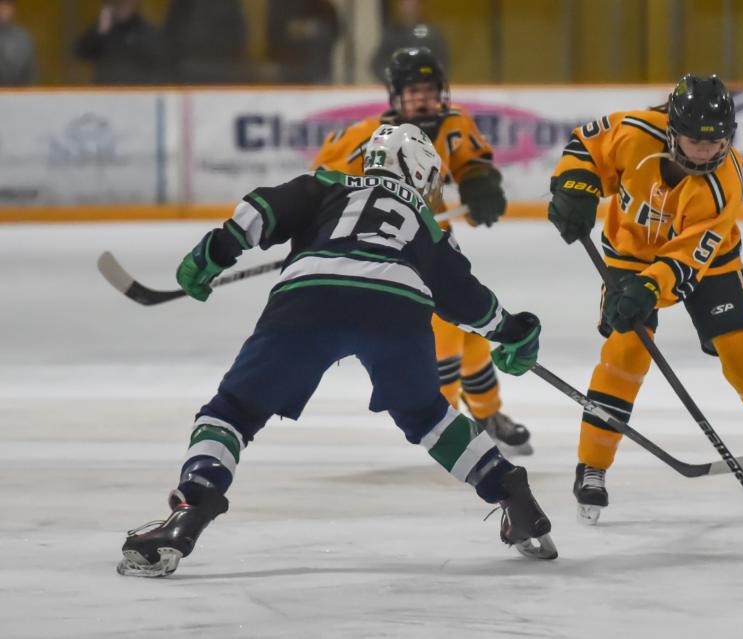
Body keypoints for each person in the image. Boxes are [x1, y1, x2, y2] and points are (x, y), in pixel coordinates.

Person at [117, 123, 556, 578]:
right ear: (418, 171)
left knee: (233, 410)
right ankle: (511, 492)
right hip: (397, 310)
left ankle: (192, 508)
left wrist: (216, 250)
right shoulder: (427, 224)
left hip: (311, 298)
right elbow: (465, 298)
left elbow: (262, 208)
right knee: (429, 416)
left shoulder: (330, 182)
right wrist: (511, 331)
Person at [547, 74, 743, 525]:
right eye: (695, 141)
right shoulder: (634, 131)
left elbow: (687, 258)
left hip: (709, 263)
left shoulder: (725, 183)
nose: (705, 152)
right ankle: (592, 468)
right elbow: (586, 146)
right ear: (671, 128)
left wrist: (650, 287)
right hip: (629, 253)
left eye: (715, 141)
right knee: (627, 348)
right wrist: (575, 186)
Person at [311, 47, 531, 455]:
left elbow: (471, 163)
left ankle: (486, 413)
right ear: (396, 94)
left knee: (472, 335)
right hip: (395, 253)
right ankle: (443, 425)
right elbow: (324, 180)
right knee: (444, 335)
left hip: (437, 243)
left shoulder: (453, 124)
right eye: (414, 91)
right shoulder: (367, 135)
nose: (423, 98)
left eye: (430, 89)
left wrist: (480, 184)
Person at [73, 0, 166, 85]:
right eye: (116, 4)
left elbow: (157, 62)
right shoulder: (102, 29)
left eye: (124, 4)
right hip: (105, 94)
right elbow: (81, 53)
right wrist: (100, 31)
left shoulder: (146, 31)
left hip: (136, 94)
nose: (121, 8)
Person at [370, 0, 448, 83]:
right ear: (400, 7)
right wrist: (393, 79)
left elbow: (442, 63)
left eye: (413, 4)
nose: (410, 8)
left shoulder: (432, 35)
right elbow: (378, 64)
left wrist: (427, 78)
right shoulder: (392, 35)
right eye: (406, 4)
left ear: (420, 6)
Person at [266, 0, 340, 84]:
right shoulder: (281, 5)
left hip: (320, 75)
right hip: (290, 75)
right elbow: (274, 36)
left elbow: (336, 30)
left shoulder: (324, 8)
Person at [0, 0, 35, 86]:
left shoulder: (23, 37)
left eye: (6, 6)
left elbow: (31, 71)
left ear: (13, 9)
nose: (2, 10)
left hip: (20, 93)